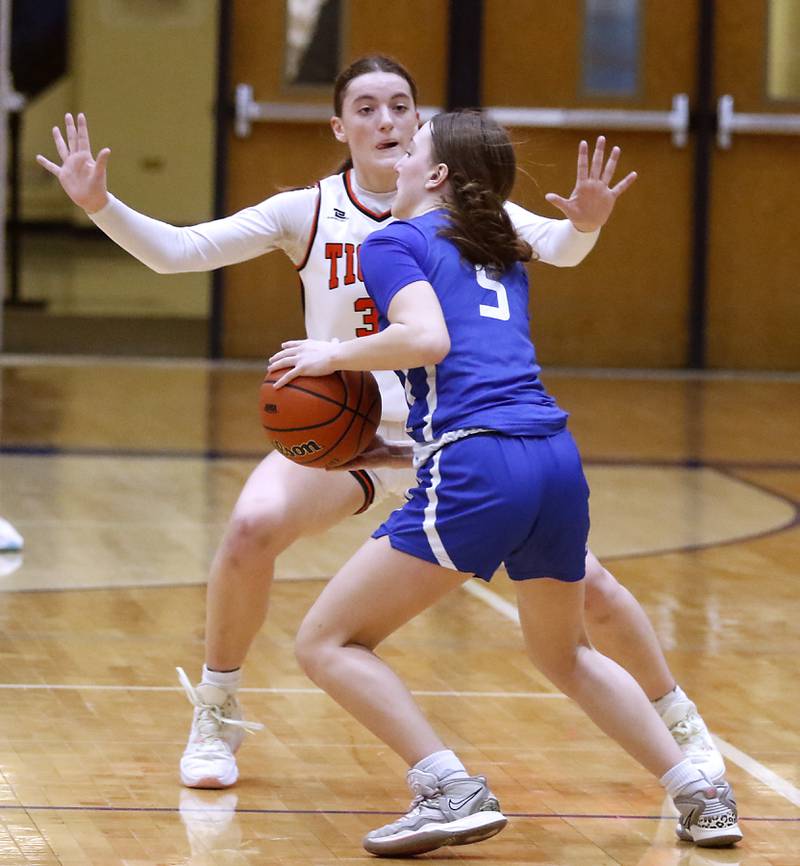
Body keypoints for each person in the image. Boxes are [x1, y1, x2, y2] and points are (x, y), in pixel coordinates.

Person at [36, 55, 724, 791]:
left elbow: (557, 246)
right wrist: (102, 206)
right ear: (340, 126)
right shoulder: (305, 210)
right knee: (250, 529)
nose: (386, 121)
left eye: (401, 106)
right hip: (354, 435)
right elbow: (181, 252)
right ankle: (217, 709)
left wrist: (584, 224)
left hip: (455, 439)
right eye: (366, 108)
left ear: (421, 130)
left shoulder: (457, 204)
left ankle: (678, 720)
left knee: (591, 589)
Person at [269, 110, 742, 855]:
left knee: (328, 641)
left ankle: (447, 787)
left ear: (436, 177)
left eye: (413, 144)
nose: (396, 149)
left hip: (480, 466)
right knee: (567, 654)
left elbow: (427, 340)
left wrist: (332, 353)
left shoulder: (395, 241)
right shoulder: (498, 252)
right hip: (553, 461)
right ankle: (699, 792)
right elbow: (473, 367)